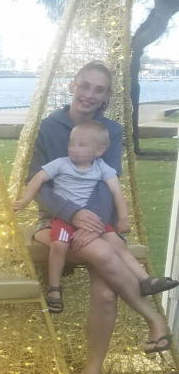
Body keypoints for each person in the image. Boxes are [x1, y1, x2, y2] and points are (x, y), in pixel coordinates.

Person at [26, 61, 174, 374]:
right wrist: (72, 215)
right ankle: (154, 321)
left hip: (97, 224)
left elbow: (108, 183)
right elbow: (39, 183)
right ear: (72, 85)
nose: (90, 94)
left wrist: (91, 222)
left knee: (107, 290)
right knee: (108, 261)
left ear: (107, 97)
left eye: (100, 90)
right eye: (86, 86)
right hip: (57, 222)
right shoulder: (50, 127)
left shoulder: (112, 130)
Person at [15, 120, 176, 314]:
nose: (73, 148)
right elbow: (38, 178)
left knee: (118, 245)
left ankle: (145, 280)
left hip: (94, 221)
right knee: (59, 245)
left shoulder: (102, 168)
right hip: (66, 220)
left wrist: (123, 219)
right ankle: (55, 289)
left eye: (81, 145)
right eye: (71, 143)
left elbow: (116, 192)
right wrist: (25, 200)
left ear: (99, 150)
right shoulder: (61, 164)